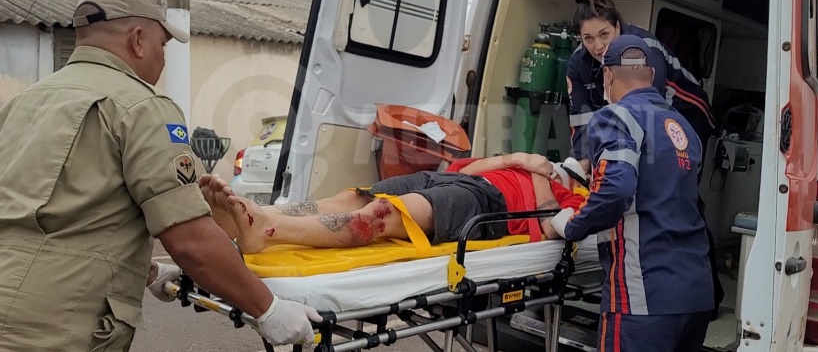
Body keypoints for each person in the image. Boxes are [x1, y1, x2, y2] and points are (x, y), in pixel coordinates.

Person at [0, 0, 318, 350]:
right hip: (57, 329)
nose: (162, 58)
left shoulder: (25, 102)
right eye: (162, 45)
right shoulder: (141, 105)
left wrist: (144, 271)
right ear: (137, 40)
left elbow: (54, 218)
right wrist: (269, 310)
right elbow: (190, 242)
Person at [565, 0, 724, 317]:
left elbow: (652, 115)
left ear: (618, 27)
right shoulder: (578, 64)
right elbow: (581, 122)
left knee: (675, 201)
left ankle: (705, 295)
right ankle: (630, 279)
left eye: (604, 35)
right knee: (624, 187)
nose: (597, 46)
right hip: (641, 119)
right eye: (588, 38)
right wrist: (582, 165)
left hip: (687, 117)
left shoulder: (641, 52)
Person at [553, 35, 714, 351]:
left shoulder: (616, 116)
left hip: (644, 296)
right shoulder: (682, 127)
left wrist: (572, 226)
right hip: (695, 293)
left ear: (608, 76)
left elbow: (616, 187)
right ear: (651, 76)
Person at [200, 153, 586, 254]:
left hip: (485, 202)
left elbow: (553, 226)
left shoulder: (575, 199)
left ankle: (266, 233)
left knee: (378, 218)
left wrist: (542, 178)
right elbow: (465, 167)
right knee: (352, 196)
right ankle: (259, 214)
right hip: (454, 177)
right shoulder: (531, 162)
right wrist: (516, 158)